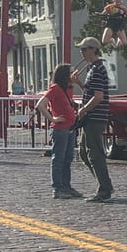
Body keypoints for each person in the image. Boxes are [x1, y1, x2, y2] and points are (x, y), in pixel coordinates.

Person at [74, 35, 115, 202]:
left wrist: (83, 109)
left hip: (95, 117)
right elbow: (91, 92)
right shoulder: (92, 68)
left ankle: (104, 188)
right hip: (90, 117)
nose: (81, 52)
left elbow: (98, 96)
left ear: (93, 49)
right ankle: (104, 184)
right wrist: (79, 83)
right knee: (84, 152)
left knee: (95, 154)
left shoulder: (98, 69)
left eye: (84, 49)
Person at [40, 63, 81, 199]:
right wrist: (53, 118)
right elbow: (40, 104)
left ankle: (66, 186)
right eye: (71, 73)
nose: (73, 75)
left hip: (70, 128)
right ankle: (58, 188)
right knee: (58, 159)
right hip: (60, 129)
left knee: (67, 159)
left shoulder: (67, 89)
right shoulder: (56, 88)